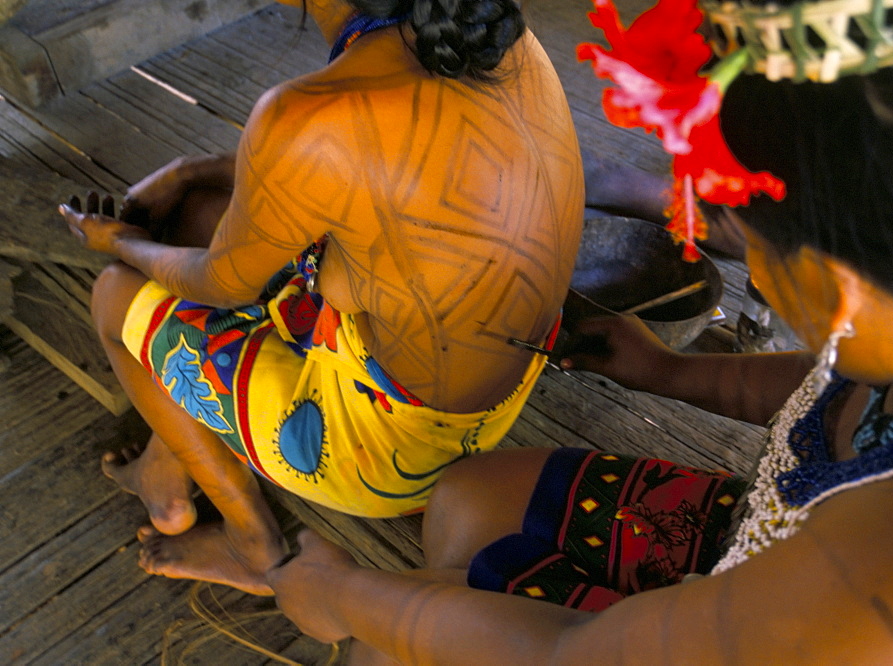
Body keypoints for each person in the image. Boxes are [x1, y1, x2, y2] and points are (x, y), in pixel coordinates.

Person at [262, 0, 893, 660]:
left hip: (773, 625)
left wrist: (340, 596)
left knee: (388, 651)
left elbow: (579, 654)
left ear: (838, 286)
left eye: (738, 239)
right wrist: (669, 373)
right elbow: (833, 388)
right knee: (465, 504)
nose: (752, 271)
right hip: (762, 530)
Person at [58, 0, 583, 594]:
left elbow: (221, 284)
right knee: (199, 211)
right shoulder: (486, 31)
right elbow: (355, 172)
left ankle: (252, 543)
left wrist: (121, 241)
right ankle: (168, 459)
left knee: (114, 295)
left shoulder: (307, 113)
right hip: (500, 391)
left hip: (386, 453)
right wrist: (193, 169)